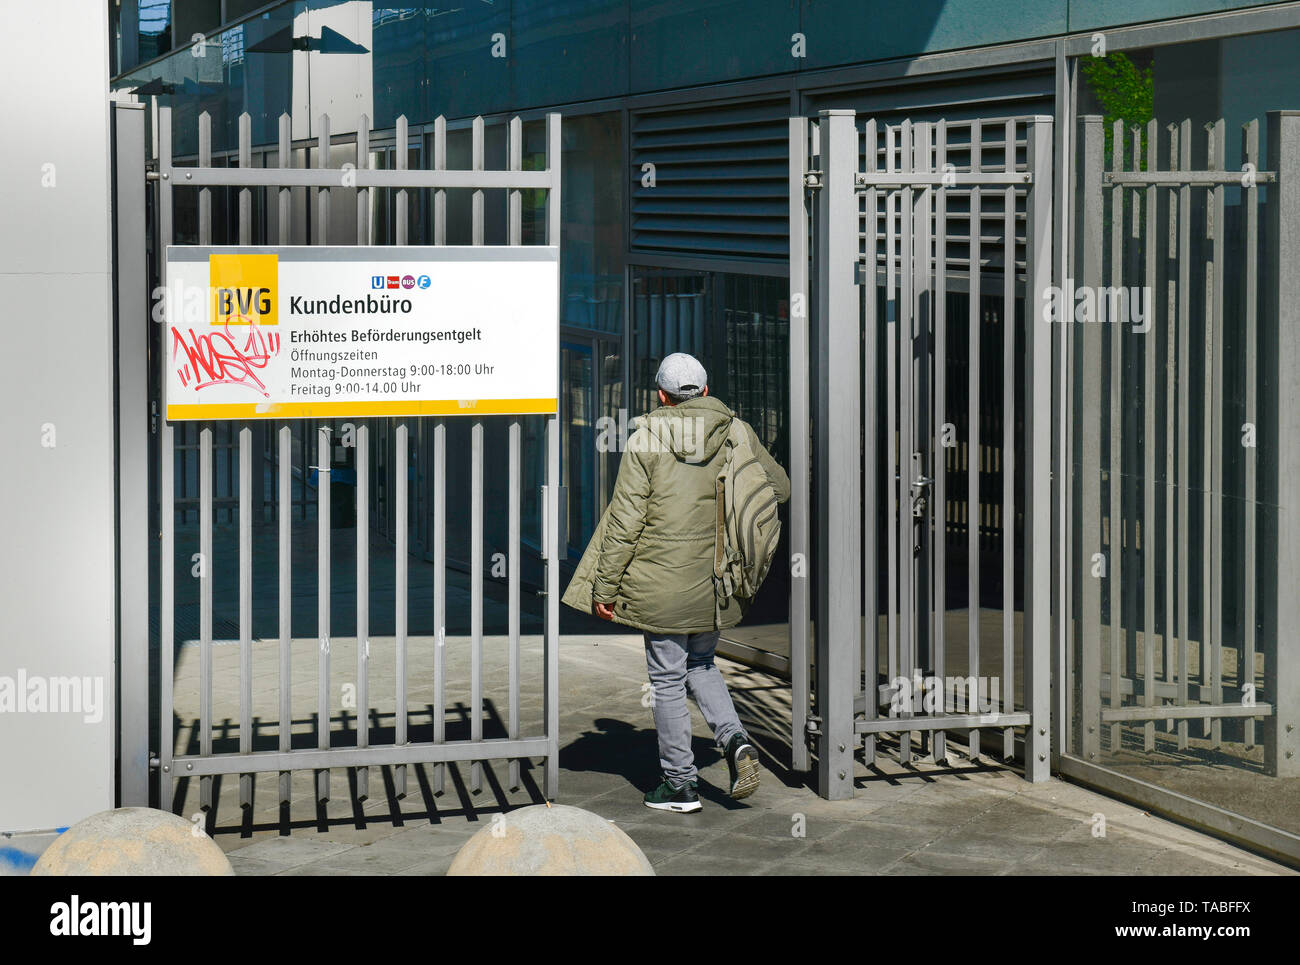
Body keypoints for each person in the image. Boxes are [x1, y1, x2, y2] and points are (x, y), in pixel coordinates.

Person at [562, 353, 790, 813]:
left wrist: (604, 588)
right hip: (718, 577)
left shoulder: (647, 436)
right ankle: (735, 741)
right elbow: (779, 487)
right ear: (705, 391)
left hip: (661, 581)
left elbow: (626, 519)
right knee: (702, 664)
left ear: (661, 396)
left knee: (667, 679)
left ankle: (680, 785)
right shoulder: (736, 430)